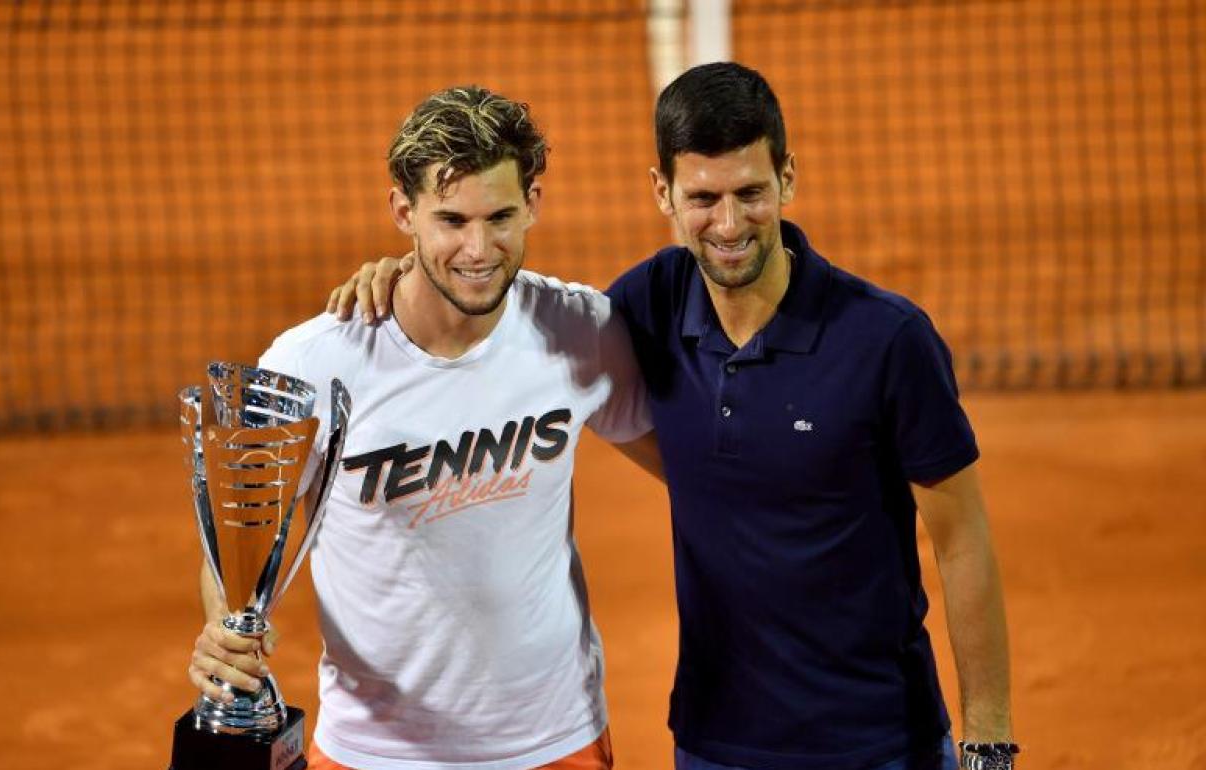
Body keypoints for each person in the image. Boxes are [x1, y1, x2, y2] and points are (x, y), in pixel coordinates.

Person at [330, 62, 1017, 770]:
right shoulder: (642, 311)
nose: (729, 224)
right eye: (703, 197)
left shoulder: (886, 340)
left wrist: (988, 738)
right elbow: (498, 315)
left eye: (751, 192)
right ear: (663, 192)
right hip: (715, 739)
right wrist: (404, 274)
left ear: (788, 178)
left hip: (880, 740)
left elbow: (962, 539)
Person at [189, 85, 661, 770]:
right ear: (402, 212)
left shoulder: (580, 332)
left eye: (500, 215)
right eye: (451, 220)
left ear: (534, 201)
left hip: (555, 740)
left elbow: (696, 473)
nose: (477, 248)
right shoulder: (315, 362)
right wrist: (222, 626)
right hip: (375, 751)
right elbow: (238, 540)